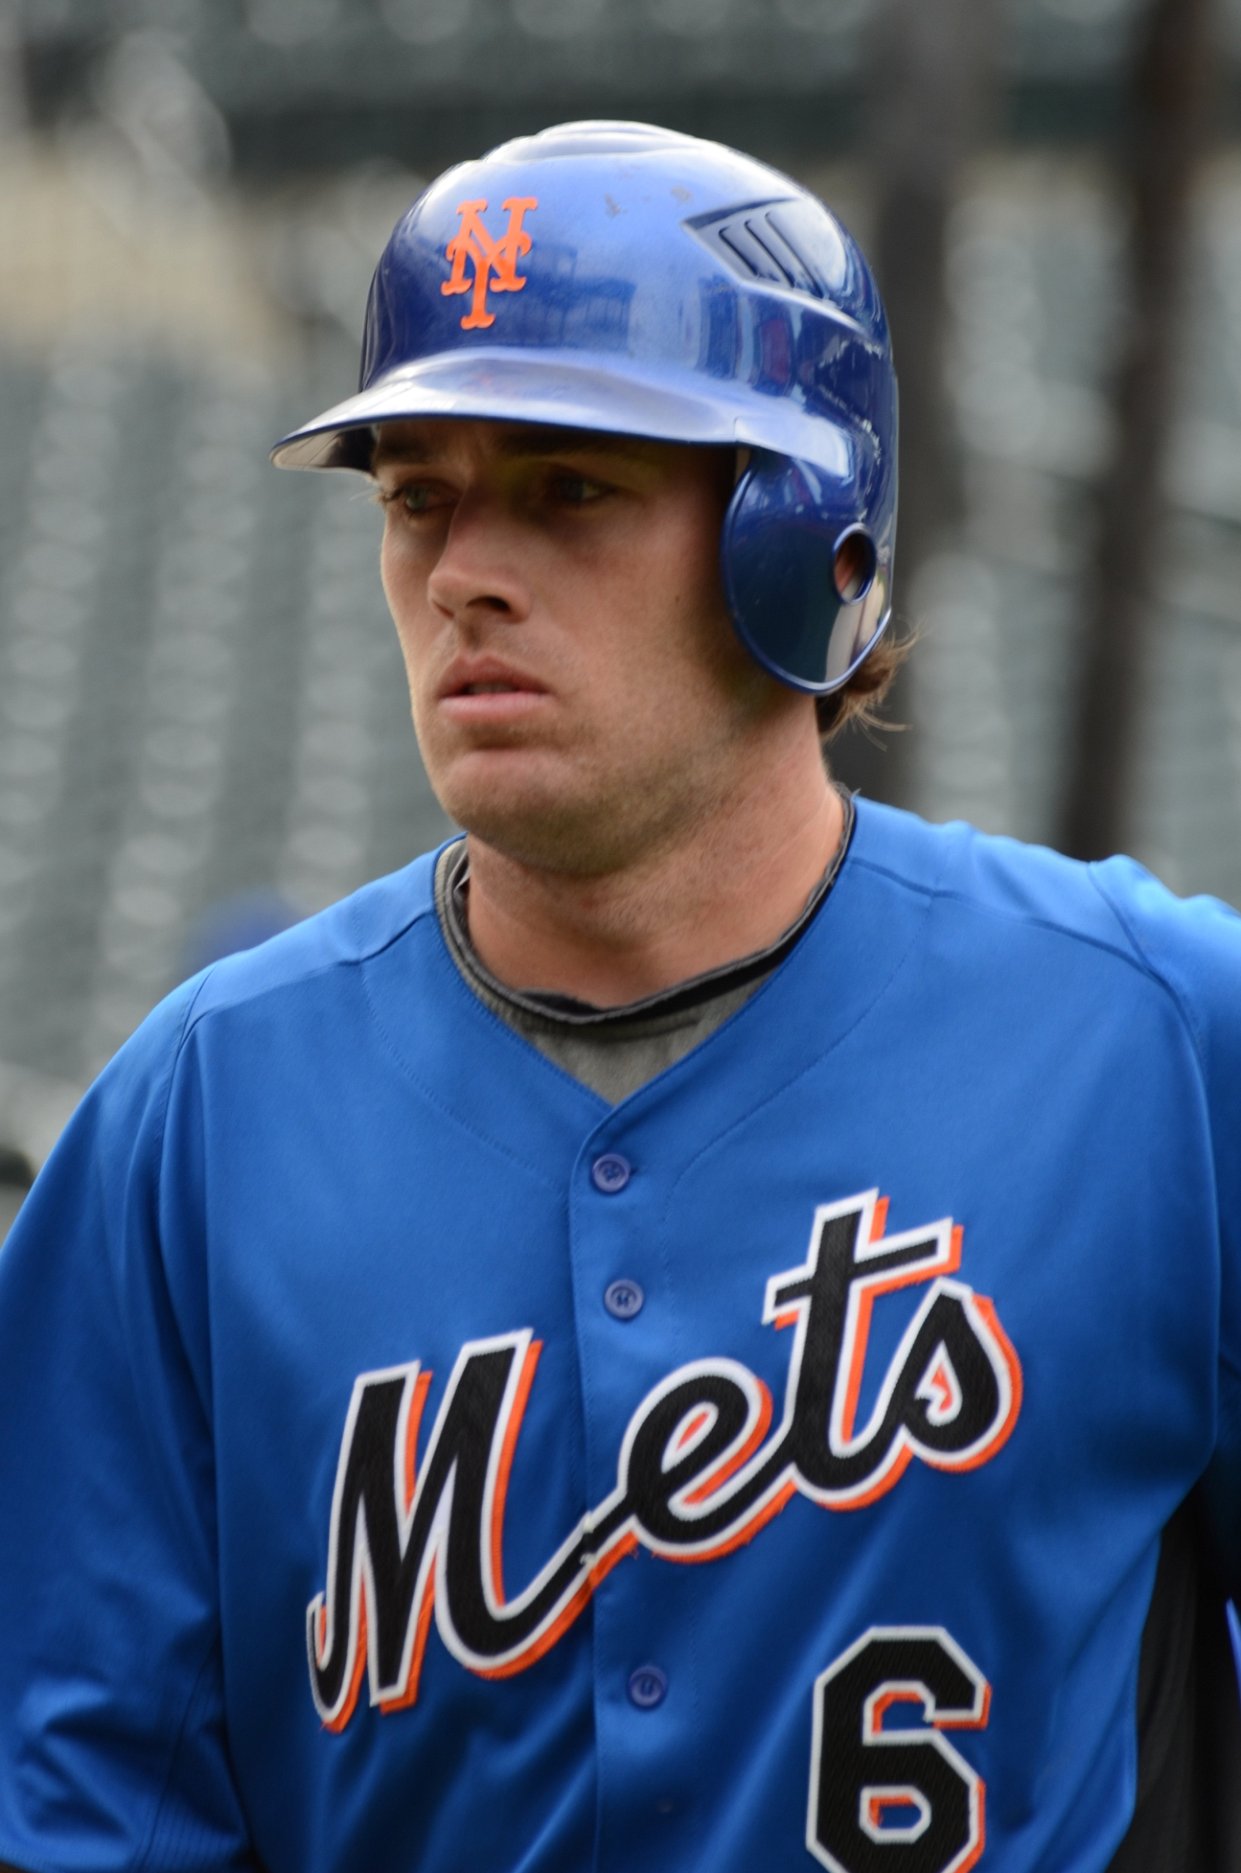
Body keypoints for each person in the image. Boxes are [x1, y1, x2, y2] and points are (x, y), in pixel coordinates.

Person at [0, 119, 1238, 1873]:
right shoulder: (190, 1122)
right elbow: (84, 1807)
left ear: (801, 529)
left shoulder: (1157, 1042)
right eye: (417, 494)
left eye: (567, 487)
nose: (461, 572)